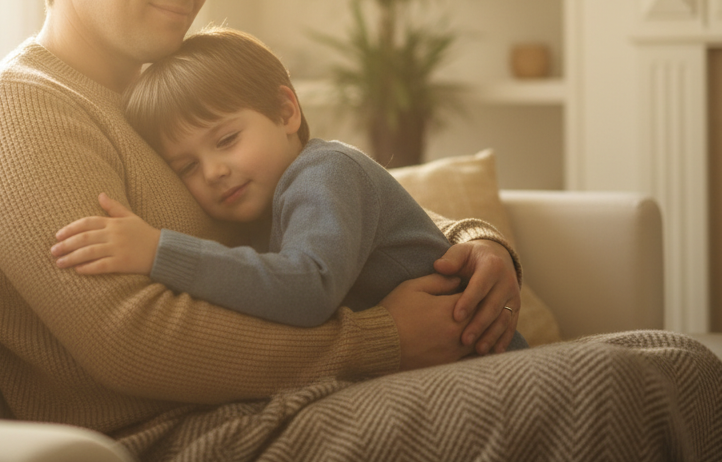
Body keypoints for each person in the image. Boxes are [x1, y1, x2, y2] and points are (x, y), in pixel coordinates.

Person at [0, 0, 722, 461]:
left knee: (669, 357)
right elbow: (135, 343)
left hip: (293, 402)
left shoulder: (162, 95)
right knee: (624, 382)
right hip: (209, 438)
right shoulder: (21, 116)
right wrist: (384, 340)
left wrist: (476, 246)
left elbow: (325, 199)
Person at [50, 27, 529, 348]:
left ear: (285, 112)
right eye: (187, 166)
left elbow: (308, 288)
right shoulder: (264, 203)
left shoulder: (325, 172)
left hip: (486, 357)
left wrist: (159, 252)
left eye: (227, 139)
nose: (214, 170)